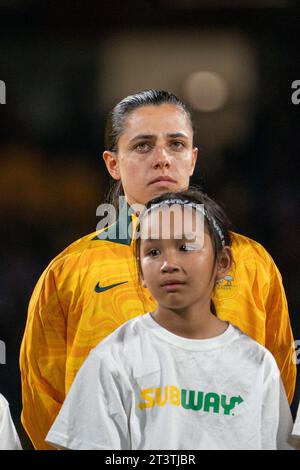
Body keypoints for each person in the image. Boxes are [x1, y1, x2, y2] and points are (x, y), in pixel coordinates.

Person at [20, 90, 296, 450]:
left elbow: (276, 383)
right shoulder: (70, 270)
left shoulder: (251, 262)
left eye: (177, 144)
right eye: (143, 146)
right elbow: (44, 402)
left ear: (193, 159)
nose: (162, 159)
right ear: (113, 163)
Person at [46, 189, 295, 450]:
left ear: (222, 262)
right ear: (140, 272)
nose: (169, 264)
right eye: (153, 252)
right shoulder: (113, 358)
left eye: (185, 247)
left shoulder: (258, 365)